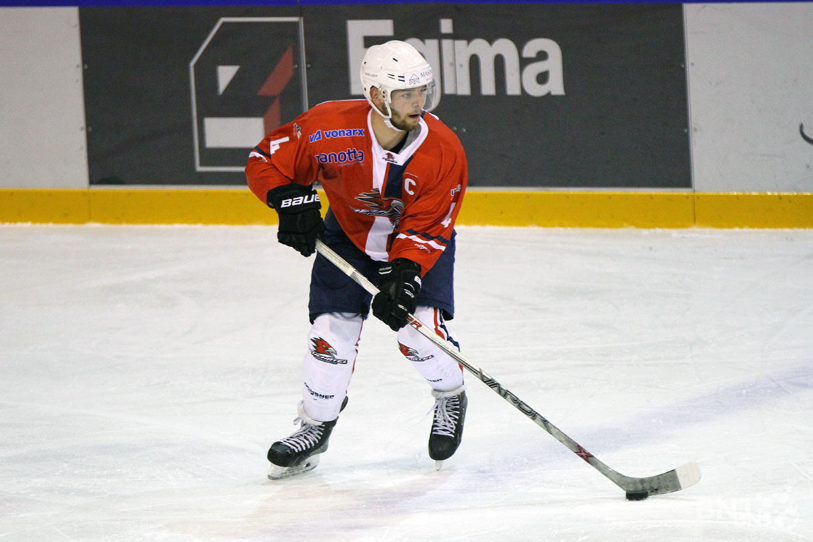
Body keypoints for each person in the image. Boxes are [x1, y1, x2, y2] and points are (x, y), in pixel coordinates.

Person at [246, 40, 468, 479]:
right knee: (329, 337)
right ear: (375, 95)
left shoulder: (444, 150)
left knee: (416, 333)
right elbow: (265, 160)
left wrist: (405, 276)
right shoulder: (328, 126)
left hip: (421, 245)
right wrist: (286, 200)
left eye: (422, 91)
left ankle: (451, 393)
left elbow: (428, 225)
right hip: (347, 238)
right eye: (405, 94)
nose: (417, 102)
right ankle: (315, 427)